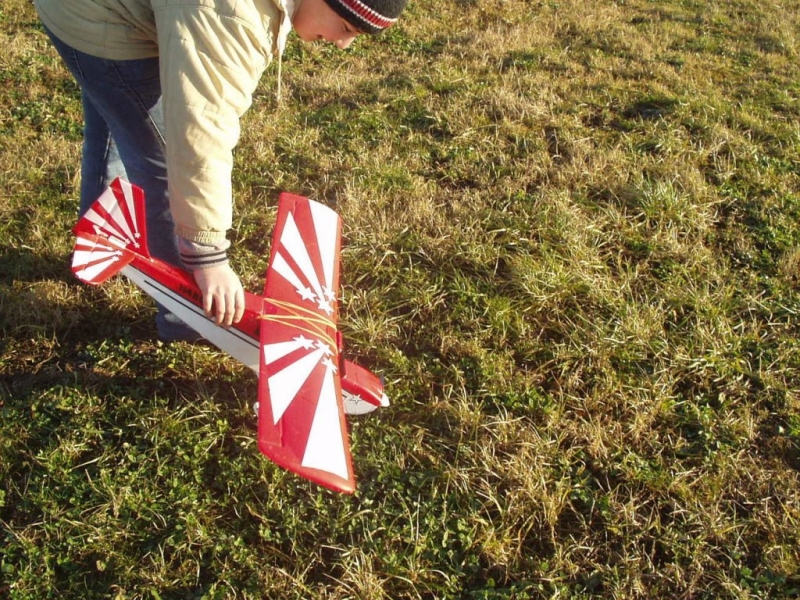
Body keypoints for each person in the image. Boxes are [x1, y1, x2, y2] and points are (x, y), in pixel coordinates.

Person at [34, 0, 407, 341]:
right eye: (346, 28)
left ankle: (100, 238)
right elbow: (198, 138)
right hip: (91, 15)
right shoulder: (230, 16)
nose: (344, 45)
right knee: (162, 165)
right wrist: (207, 256)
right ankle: (188, 319)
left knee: (122, 115)